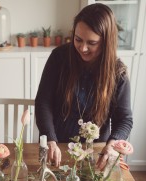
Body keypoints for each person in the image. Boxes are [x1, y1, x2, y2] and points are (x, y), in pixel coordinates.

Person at [35, 3, 133, 170]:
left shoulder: (118, 73)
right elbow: (43, 102)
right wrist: (50, 139)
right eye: (78, 39)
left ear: (106, 42)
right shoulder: (59, 58)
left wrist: (111, 145)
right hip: (58, 146)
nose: (83, 48)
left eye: (92, 43)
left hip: (96, 153)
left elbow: (124, 119)